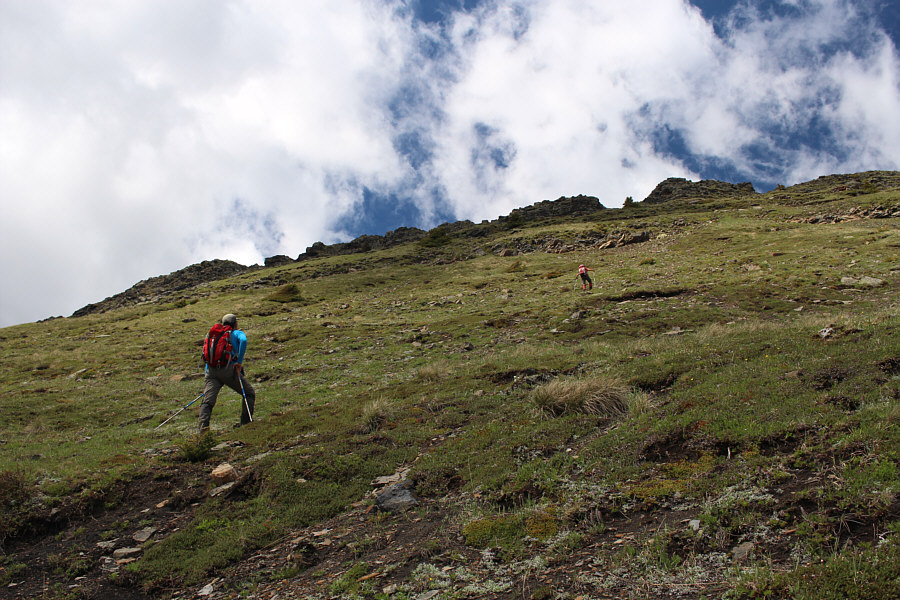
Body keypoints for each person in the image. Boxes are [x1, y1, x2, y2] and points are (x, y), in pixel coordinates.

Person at [198, 314, 256, 432]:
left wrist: (207, 375)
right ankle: (245, 423)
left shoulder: (211, 335)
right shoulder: (235, 333)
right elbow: (244, 340)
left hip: (211, 372)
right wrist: (239, 362)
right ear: (235, 324)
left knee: (207, 402)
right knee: (249, 393)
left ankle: (202, 431)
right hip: (228, 370)